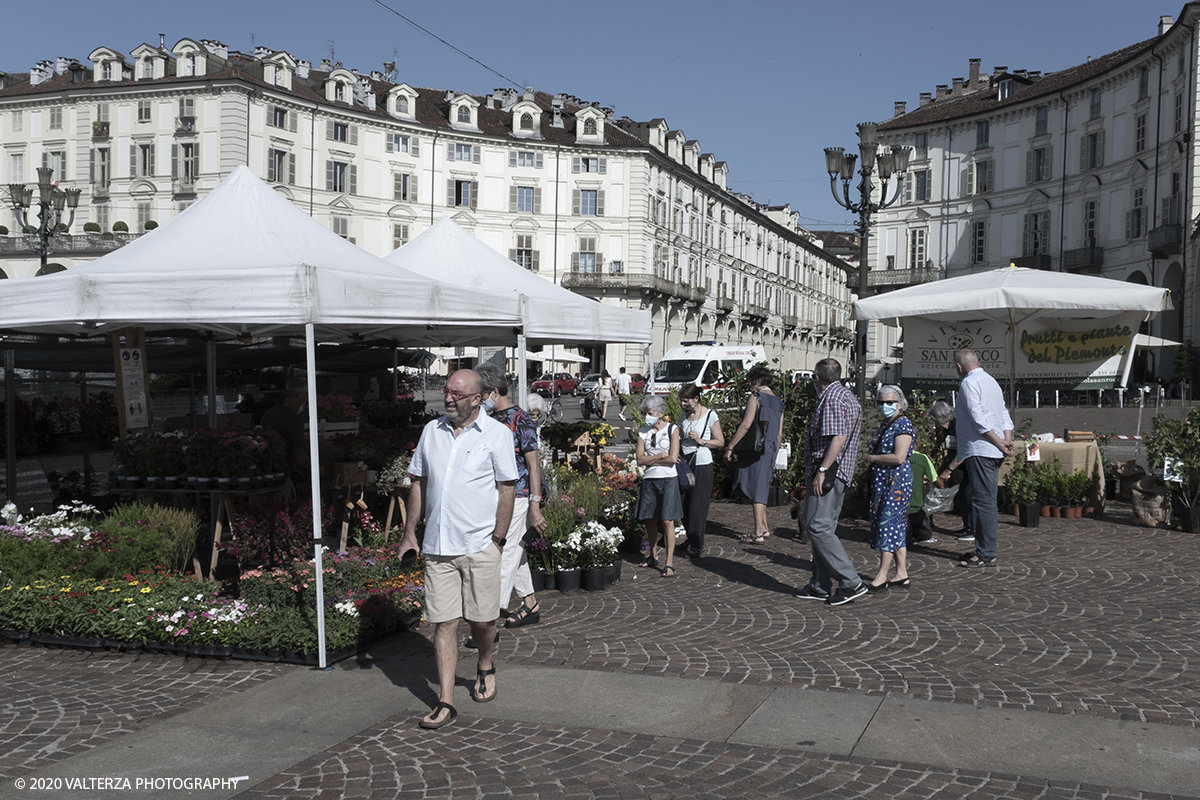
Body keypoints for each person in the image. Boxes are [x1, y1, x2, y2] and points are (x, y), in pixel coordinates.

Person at [399, 369, 519, 730]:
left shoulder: (497, 434)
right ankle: (446, 700)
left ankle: (485, 660)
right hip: (438, 547)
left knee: (482, 621)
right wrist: (409, 533)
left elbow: (507, 488)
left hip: (480, 543)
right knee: (443, 623)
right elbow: (417, 482)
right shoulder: (430, 432)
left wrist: (497, 540)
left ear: (478, 398)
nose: (448, 398)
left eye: (457, 393)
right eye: (446, 391)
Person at [475, 365, 547, 636]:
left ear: (494, 392)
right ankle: (530, 605)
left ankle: (487, 622)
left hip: (518, 497)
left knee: (503, 556)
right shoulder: (488, 419)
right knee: (516, 552)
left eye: (480, 394)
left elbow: (533, 465)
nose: (478, 400)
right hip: (497, 496)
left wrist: (535, 505)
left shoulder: (520, 419)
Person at [794, 358, 867, 607]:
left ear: (817, 377)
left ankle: (850, 581)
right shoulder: (845, 395)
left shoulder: (833, 398)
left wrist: (822, 470)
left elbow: (838, 437)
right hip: (835, 471)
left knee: (818, 527)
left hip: (830, 472)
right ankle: (819, 584)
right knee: (821, 527)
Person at [954, 349, 1015, 568]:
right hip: (993, 449)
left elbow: (978, 418)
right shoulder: (991, 382)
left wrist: (1000, 443)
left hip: (981, 449)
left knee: (983, 502)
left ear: (959, 367)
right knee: (985, 500)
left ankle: (986, 553)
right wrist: (1006, 439)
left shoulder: (969, 383)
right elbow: (1004, 414)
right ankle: (985, 548)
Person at [862, 385, 915, 592]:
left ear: (899, 404)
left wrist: (872, 458)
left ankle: (881, 576)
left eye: (889, 402)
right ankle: (901, 573)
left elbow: (899, 457)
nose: (884, 406)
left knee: (888, 526)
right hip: (883, 481)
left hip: (896, 482)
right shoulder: (887, 422)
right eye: (881, 402)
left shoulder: (903, 424)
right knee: (895, 527)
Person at [723, 364, 784, 544]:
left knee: (755, 488)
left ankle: (757, 532)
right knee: (762, 486)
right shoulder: (779, 402)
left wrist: (730, 447)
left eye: (750, 382)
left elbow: (746, 425)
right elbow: (779, 434)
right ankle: (764, 527)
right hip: (770, 448)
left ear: (757, 381)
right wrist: (774, 455)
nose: (749, 385)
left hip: (755, 448)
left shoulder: (756, 397)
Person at [635, 395, 683, 577]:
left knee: (667, 520)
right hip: (649, 479)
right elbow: (639, 459)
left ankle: (669, 562)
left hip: (669, 478)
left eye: (650, 413)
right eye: (645, 413)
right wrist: (660, 456)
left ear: (661, 413)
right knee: (650, 518)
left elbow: (673, 458)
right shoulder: (643, 432)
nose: (647, 416)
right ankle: (652, 555)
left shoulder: (672, 429)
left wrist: (653, 459)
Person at [678, 383, 724, 558]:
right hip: (685, 462)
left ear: (696, 399)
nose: (683, 404)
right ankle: (691, 537)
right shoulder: (682, 416)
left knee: (698, 504)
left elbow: (720, 442)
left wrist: (702, 441)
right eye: (681, 401)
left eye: (686, 400)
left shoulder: (710, 415)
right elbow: (678, 436)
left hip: (702, 462)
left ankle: (697, 545)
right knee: (682, 501)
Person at [928, 399, 971, 540]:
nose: (935, 424)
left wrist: (948, 470)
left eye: (935, 420)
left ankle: (972, 528)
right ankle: (968, 526)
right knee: (963, 496)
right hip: (959, 465)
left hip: (967, 465)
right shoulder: (948, 429)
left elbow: (963, 450)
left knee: (968, 495)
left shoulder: (958, 426)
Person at [259, 375, 311, 490]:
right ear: (304, 397)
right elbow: (300, 458)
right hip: (283, 476)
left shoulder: (269, 413)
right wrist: (319, 470)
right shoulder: (294, 419)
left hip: (264, 474)